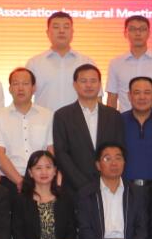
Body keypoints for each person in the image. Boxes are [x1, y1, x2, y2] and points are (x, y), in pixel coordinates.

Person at [52, 64, 124, 193]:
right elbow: (61, 154)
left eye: (93, 81)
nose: (89, 85)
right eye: (83, 81)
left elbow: (120, 150)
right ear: (75, 85)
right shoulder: (62, 116)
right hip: (74, 188)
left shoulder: (113, 115)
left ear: (100, 85)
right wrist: (82, 184)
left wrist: (107, 180)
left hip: (108, 187)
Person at [0, 67, 54, 191]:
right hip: (9, 182)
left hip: (42, 182)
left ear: (33, 88)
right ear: (10, 89)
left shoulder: (47, 115)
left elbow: (51, 150)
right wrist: (20, 181)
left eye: (25, 83)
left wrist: (46, 179)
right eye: (16, 84)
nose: (20, 88)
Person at [26, 12, 95, 112]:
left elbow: (96, 98)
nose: (61, 31)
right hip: (45, 121)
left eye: (66, 27)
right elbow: (24, 99)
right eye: (56, 27)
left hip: (79, 121)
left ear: (72, 32)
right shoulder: (34, 63)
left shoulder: (86, 62)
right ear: (48, 32)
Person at [105, 15, 152, 112]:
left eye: (142, 29)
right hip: (124, 119)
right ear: (125, 33)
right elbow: (112, 98)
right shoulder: (116, 64)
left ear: (149, 33)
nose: (138, 33)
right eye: (133, 29)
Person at [120, 76, 152, 185]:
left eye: (147, 92)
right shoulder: (118, 121)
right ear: (129, 96)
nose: (142, 97)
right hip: (125, 186)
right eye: (137, 93)